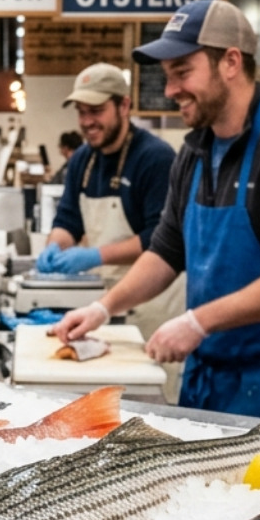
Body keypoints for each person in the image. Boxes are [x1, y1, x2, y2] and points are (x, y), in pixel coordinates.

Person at [54, 0, 260, 421]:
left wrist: (197, 323)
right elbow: (166, 250)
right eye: (168, 76)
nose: (171, 90)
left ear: (230, 62)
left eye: (182, 73)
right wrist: (104, 308)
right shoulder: (195, 152)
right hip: (207, 379)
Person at [37, 63, 181, 349]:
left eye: (96, 110)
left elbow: (161, 238)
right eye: (81, 111)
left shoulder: (156, 158)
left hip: (154, 304)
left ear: (124, 105)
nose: (87, 121)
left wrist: (95, 256)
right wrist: (55, 245)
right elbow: (68, 220)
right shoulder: (81, 160)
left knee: (149, 388)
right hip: (102, 302)